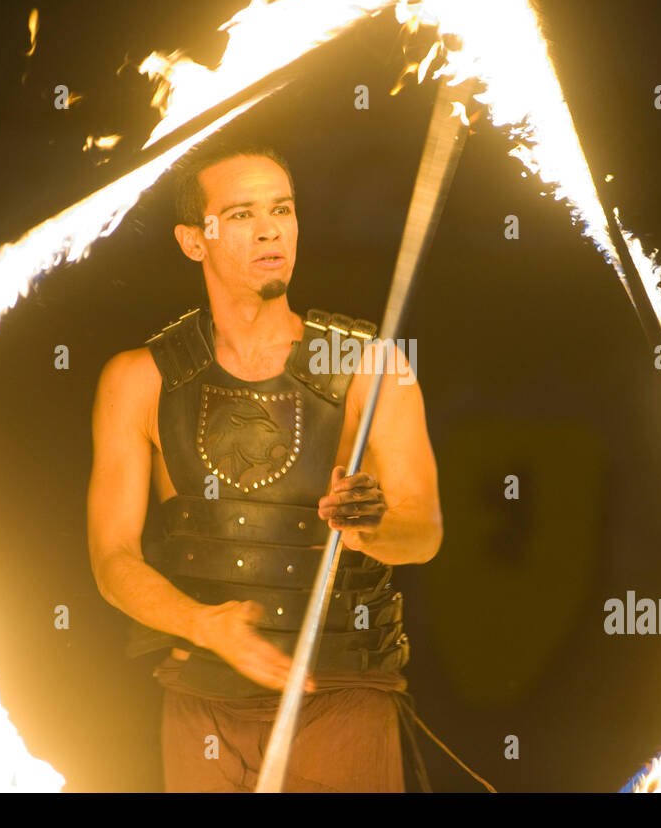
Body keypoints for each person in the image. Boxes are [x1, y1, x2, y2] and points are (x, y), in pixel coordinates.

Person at [88, 143, 458, 792]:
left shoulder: (373, 370)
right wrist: (204, 624)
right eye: (239, 214)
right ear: (192, 240)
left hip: (338, 695)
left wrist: (369, 525)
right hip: (200, 700)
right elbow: (111, 559)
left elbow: (423, 530)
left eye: (282, 209)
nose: (269, 229)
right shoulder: (139, 380)